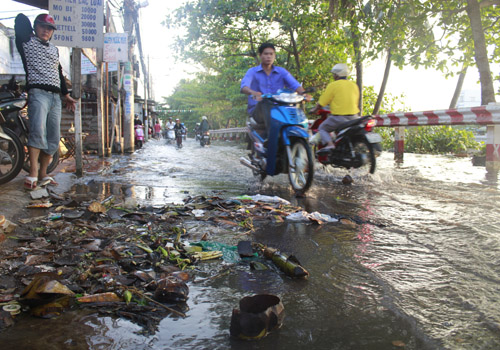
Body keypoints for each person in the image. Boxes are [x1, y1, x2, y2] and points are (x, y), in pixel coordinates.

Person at [15, 13, 76, 190]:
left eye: (49, 28)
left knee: (53, 137)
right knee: (37, 131)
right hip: (38, 93)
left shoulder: (54, 49)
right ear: (35, 27)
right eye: (42, 26)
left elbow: (58, 73)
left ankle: (43, 173)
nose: (46, 30)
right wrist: (33, 27)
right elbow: (20, 20)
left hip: (55, 97)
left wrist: (66, 95)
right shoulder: (27, 43)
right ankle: (33, 173)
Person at [240, 42, 306, 138]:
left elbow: (295, 85)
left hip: (280, 109)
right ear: (260, 55)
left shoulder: (282, 72)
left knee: (293, 107)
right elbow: (244, 87)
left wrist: (304, 94)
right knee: (265, 103)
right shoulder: (252, 72)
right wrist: (253, 92)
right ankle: (271, 140)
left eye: (271, 54)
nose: (269, 56)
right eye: (266, 54)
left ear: (274, 56)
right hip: (258, 110)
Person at [309, 63, 360, 152]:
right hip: (354, 118)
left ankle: (330, 144)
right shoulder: (354, 85)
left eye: (334, 74)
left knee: (322, 128)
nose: (333, 76)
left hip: (339, 118)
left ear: (337, 75)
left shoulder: (333, 85)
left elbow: (323, 101)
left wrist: (315, 109)